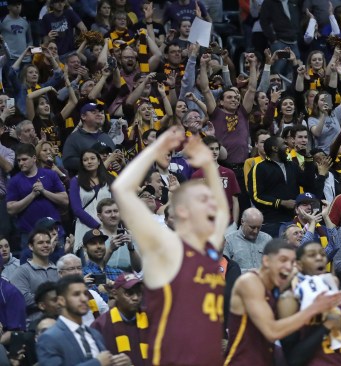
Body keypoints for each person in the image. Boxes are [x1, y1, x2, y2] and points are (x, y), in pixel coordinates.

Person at [111, 127, 230, 365]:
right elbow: (121, 189)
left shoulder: (207, 247)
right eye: (203, 199)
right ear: (184, 211)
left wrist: (207, 164)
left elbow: (223, 213)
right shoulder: (167, 247)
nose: (212, 205)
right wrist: (156, 148)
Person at [224, 239, 341, 364]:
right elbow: (272, 332)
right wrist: (315, 308)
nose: (289, 266)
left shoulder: (275, 287)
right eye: (283, 260)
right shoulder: (250, 281)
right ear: (266, 261)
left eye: (292, 262)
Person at [277, 241, 341, 366]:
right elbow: (292, 359)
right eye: (311, 255)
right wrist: (326, 326)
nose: (319, 257)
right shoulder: (290, 299)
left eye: (322, 254)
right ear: (299, 265)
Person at [35, 275, 130, 366]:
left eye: (85, 293)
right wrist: (97, 363)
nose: (84, 299)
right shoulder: (49, 337)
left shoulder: (95, 333)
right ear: (61, 301)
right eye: (76, 294)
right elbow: (101, 362)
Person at [248, 136, 318, 237]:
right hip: (271, 222)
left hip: (294, 220)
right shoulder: (259, 168)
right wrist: (280, 203)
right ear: (275, 148)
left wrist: (308, 158)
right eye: (283, 144)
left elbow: (309, 185)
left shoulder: (292, 165)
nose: (287, 146)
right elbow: (256, 197)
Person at [7, 143, 68, 246]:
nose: (21, 163)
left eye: (24, 159)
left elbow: (65, 200)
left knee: (59, 262)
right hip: (29, 235)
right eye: (18, 160)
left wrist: (44, 191)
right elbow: (10, 209)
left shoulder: (50, 174)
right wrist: (32, 195)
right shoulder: (14, 181)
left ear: (34, 158)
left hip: (54, 232)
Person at [91, 273, 148, 366]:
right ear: (115, 294)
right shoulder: (100, 325)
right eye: (129, 293)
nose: (135, 298)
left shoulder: (152, 319)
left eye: (139, 292)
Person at [9, 228, 59, 310]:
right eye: (40, 243)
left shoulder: (57, 270)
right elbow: (23, 299)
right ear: (31, 246)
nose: (45, 245)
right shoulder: (21, 271)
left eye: (48, 242)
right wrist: (54, 298)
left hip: (59, 318)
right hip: (34, 320)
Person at [223, 208, 273, 273]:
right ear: (242, 222)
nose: (255, 231)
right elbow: (224, 268)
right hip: (239, 281)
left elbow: (274, 264)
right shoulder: (229, 241)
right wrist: (247, 272)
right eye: (252, 227)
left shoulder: (267, 239)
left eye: (259, 227)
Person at [82, 229, 123, 302]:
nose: (98, 246)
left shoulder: (118, 272)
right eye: (93, 243)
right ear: (85, 248)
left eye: (101, 243)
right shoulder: (82, 274)